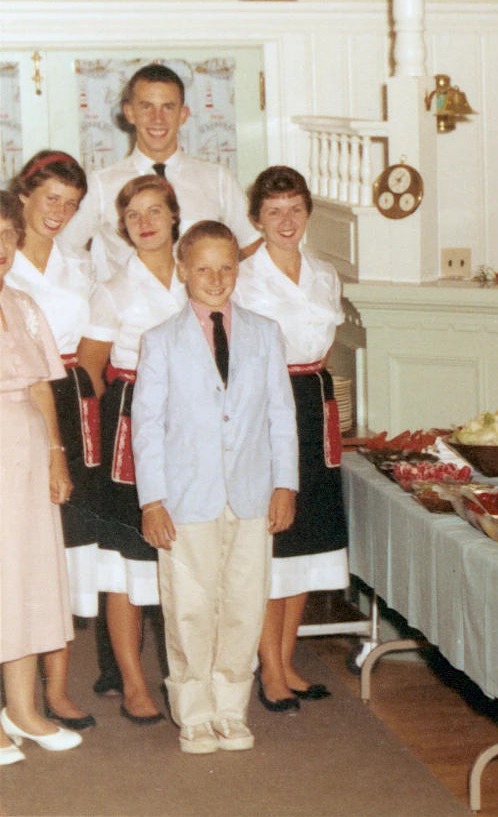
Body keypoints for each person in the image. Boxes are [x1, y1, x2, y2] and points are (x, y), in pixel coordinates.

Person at [133, 221, 297, 754]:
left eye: (226, 266)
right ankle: (194, 710)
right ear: (182, 271)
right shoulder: (160, 341)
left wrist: (285, 485)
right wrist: (152, 499)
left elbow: (281, 415)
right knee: (189, 606)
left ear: (238, 269)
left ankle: (231, 707)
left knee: (245, 603)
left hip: (251, 493)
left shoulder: (265, 332)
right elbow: (147, 425)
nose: (216, 277)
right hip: (186, 497)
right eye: (203, 267)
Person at [232, 167, 346, 711]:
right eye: (274, 211)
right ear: (256, 218)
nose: (286, 220)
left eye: (295, 209)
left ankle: (286, 655)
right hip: (266, 407)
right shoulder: (243, 277)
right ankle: (268, 669)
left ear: (307, 214)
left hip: (314, 401)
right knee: (273, 538)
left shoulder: (324, 274)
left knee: (307, 538)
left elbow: (322, 347)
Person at [79, 175, 188, 725]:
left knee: (183, 555)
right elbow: (90, 369)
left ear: (174, 216)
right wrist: (126, 415)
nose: (144, 223)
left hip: (190, 431)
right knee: (128, 562)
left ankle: (186, 675)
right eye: (133, 216)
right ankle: (133, 681)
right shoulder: (115, 288)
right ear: (123, 227)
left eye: (155, 211)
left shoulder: (198, 277)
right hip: (130, 428)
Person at [7, 152, 108, 730]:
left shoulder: (79, 264)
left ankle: (57, 687)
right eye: (51, 199)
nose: (60, 213)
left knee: (64, 547)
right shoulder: (4, 257)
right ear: (23, 195)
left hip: (65, 399)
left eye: (71, 205)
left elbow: (92, 345)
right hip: (16, 399)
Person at [0, 190, 85, 763]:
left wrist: (57, 453)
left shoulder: (23, 305)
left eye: (7, 235)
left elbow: (40, 386)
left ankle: (23, 710)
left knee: (25, 578)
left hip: (26, 451)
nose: (0, 248)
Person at [59, 64, 258, 283]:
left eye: (168, 107)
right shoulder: (100, 184)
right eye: (146, 107)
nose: (157, 119)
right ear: (130, 112)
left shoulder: (219, 179)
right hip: (131, 314)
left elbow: (255, 254)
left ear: (183, 114)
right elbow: (63, 251)